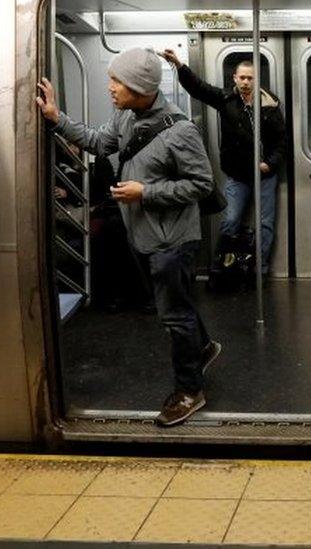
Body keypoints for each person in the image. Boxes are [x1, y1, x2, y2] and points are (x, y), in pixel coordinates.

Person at [35, 47, 222, 427]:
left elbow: (202, 184)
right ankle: (202, 346)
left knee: (173, 315)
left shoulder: (181, 131)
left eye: (117, 81)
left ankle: (190, 390)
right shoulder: (126, 118)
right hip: (145, 235)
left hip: (172, 240)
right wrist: (57, 119)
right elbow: (96, 141)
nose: (111, 88)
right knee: (177, 303)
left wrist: (146, 192)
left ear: (140, 87)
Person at [160, 50, 287, 274]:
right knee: (230, 220)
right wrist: (180, 66)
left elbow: (281, 141)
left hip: (265, 174)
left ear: (256, 80)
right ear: (235, 79)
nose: (246, 82)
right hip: (238, 175)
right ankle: (223, 266)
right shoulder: (226, 99)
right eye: (242, 77)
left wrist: (270, 164)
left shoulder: (270, 104)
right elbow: (199, 88)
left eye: (250, 78)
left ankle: (261, 269)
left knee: (265, 224)